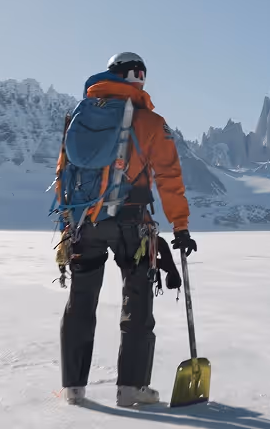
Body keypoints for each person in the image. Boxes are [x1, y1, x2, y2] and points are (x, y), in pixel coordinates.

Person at [58, 52, 198, 407]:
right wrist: (180, 226)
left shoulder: (79, 117)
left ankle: (73, 387)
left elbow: (64, 174)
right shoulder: (150, 122)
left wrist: (67, 226)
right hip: (132, 225)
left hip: (85, 223)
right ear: (135, 79)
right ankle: (132, 388)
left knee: (80, 302)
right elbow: (169, 177)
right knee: (137, 302)